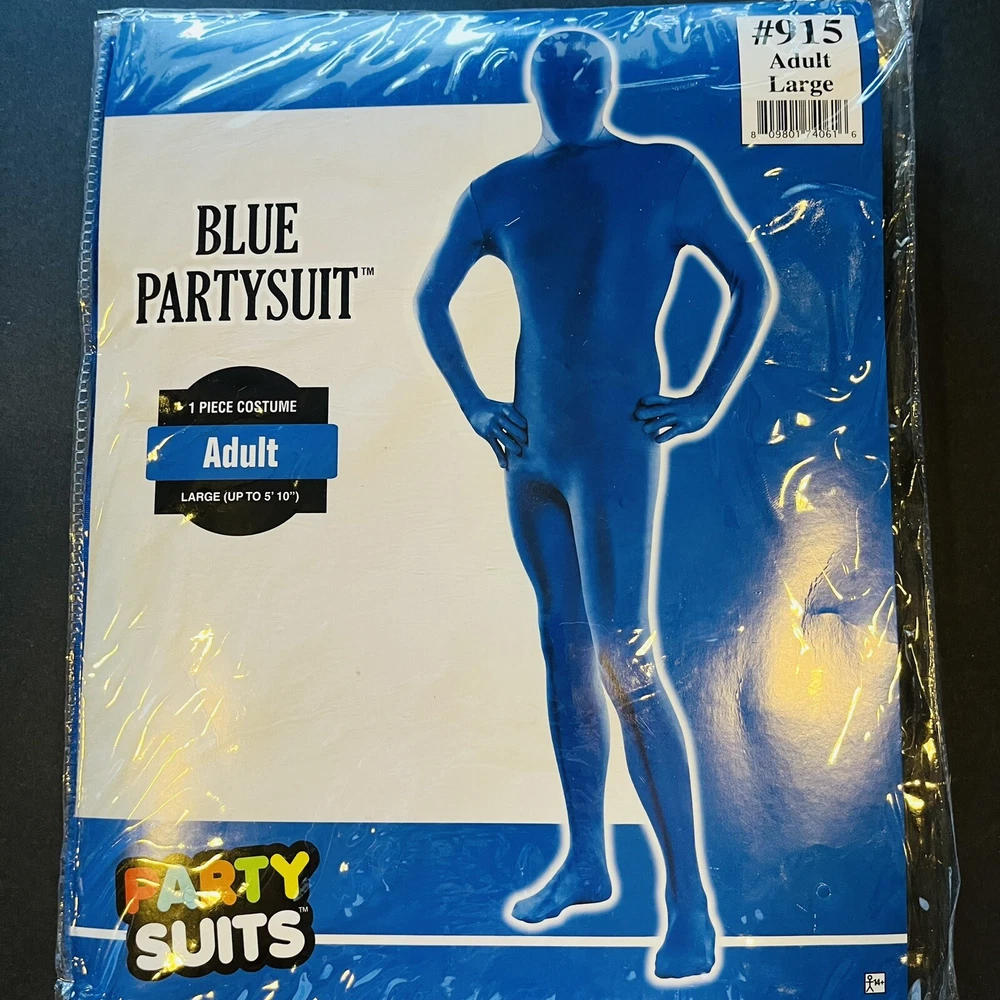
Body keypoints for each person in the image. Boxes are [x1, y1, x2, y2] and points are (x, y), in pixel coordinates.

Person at [415, 28, 773, 981]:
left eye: (587, 81)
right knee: (563, 650)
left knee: (628, 656)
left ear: (608, 83)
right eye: (557, 83)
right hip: (530, 451)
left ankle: (689, 905)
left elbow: (748, 279)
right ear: (535, 87)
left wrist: (706, 397)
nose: (573, 95)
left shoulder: (666, 170)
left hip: (614, 447)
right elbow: (431, 300)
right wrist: (475, 402)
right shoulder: (497, 191)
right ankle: (585, 861)